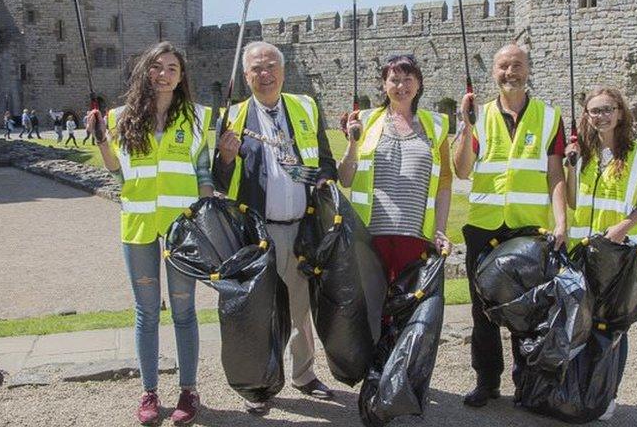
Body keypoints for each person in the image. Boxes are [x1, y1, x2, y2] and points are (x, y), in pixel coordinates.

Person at [213, 40, 337, 413]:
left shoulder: (306, 107)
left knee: (300, 310)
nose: (264, 74)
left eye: (271, 67)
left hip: (301, 229)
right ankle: (259, 384)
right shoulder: (231, 117)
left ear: (283, 71)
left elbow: (326, 161)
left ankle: (304, 375)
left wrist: (321, 180)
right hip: (257, 235)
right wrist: (227, 158)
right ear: (246, 75)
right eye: (256, 69)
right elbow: (220, 183)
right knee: (259, 313)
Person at [95, 41, 212, 426]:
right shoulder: (120, 116)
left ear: (182, 77)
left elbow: (203, 174)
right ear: (146, 71)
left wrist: (206, 219)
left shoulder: (196, 117)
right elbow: (116, 170)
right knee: (146, 313)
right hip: (139, 224)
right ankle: (149, 392)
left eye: (172, 68)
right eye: (157, 67)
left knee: (183, 311)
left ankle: (188, 390)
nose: (164, 74)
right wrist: (99, 139)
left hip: (181, 229)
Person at [452, 43, 568, 408]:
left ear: (528, 70)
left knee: (528, 309)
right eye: (503, 66)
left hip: (527, 229)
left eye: (517, 65)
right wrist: (466, 126)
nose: (510, 72)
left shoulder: (550, 117)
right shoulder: (480, 115)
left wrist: (561, 222)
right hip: (484, 228)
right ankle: (487, 382)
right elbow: (462, 170)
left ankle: (527, 382)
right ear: (493, 72)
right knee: (482, 310)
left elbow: (555, 174)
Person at [564, 86, 637, 422]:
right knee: (582, 322)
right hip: (582, 251)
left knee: (615, 325)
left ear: (620, 112)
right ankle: (581, 389)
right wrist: (570, 166)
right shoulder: (582, 154)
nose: (600, 116)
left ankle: (608, 393)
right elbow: (573, 202)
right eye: (593, 111)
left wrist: (622, 228)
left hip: (618, 252)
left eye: (606, 109)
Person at [339, 54, 452, 287]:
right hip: (370, 237)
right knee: (373, 313)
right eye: (394, 79)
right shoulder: (363, 120)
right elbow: (345, 179)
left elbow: (444, 182)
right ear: (384, 85)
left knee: (408, 310)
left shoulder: (437, 125)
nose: (401, 86)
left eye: (408, 79)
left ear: (419, 84)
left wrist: (439, 230)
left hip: (416, 237)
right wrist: (352, 143)